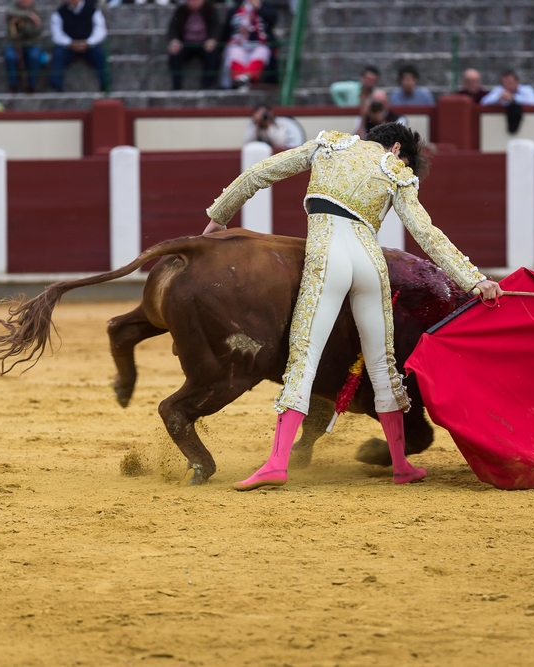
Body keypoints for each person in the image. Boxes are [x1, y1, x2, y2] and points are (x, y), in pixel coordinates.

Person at [201, 123, 501, 491]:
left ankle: (277, 463)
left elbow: (260, 173)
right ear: (395, 148)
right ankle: (401, 465)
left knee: (304, 357)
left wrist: (219, 215)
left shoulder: (330, 145)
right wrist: (474, 279)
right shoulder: (396, 171)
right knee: (382, 364)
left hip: (329, 255)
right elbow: (427, 233)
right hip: (370, 263)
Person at [49, 0, 109, 92]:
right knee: (58, 54)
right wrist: (70, 43)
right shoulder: (60, 12)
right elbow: (56, 34)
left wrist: (88, 42)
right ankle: (56, 86)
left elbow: (100, 30)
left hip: (89, 46)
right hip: (68, 47)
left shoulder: (92, 9)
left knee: (99, 54)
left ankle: (105, 85)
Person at [220, 0, 277, 89]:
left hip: (259, 44)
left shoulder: (265, 6)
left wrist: (259, 7)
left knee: (262, 52)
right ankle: (241, 80)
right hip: (238, 43)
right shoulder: (235, 9)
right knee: (233, 52)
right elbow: (226, 30)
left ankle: (245, 78)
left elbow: (272, 20)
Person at [166, 0, 222, 90]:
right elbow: (173, 28)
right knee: (174, 54)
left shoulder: (210, 10)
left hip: (204, 44)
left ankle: (207, 85)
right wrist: (174, 41)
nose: (193, 3)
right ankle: (177, 85)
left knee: (213, 55)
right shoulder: (180, 10)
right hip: (185, 44)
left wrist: (212, 40)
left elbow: (216, 27)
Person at [5, 0, 43, 93]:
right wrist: (28, 16)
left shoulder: (37, 10)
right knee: (10, 57)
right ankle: (13, 85)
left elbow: (34, 31)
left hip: (32, 44)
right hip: (14, 44)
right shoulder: (13, 7)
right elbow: (9, 12)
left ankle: (31, 86)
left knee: (33, 57)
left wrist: (21, 23)